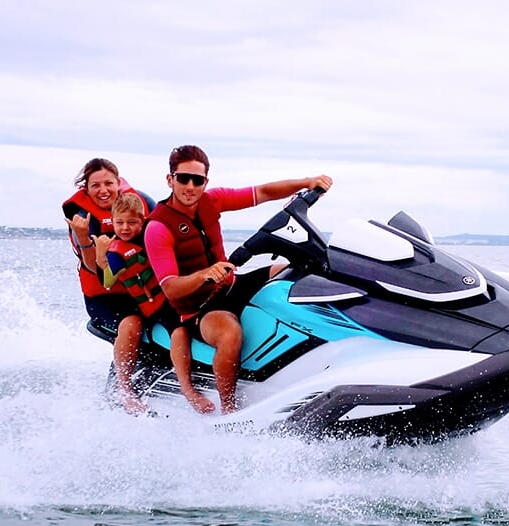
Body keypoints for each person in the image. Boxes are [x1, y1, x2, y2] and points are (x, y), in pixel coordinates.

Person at [144, 144, 333, 414]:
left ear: (205, 182)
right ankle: (230, 409)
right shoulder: (158, 227)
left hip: (232, 285)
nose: (190, 186)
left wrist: (307, 182)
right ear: (170, 179)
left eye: (197, 180)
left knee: (294, 272)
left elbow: (264, 192)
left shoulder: (212, 200)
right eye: (183, 178)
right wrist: (204, 275)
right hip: (198, 309)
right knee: (229, 331)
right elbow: (171, 289)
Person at [95, 192, 214, 415]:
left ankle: (187, 389)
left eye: (132, 222)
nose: (125, 228)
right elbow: (108, 281)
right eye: (119, 223)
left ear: (143, 221)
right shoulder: (115, 251)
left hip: (163, 301)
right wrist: (101, 257)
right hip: (139, 305)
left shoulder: (153, 237)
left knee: (179, 333)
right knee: (130, 327)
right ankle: (125, 388)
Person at [62, 159, 153, 414]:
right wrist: (84, 239)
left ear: (118, 182)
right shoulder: (82, 217)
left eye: (108, 183)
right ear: (86, 188)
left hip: (139, 287)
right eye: (95, 185)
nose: (103, 190)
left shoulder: (139, 202)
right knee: (132, 323)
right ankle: (124, 391)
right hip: (105, 294)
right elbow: (94, 270)